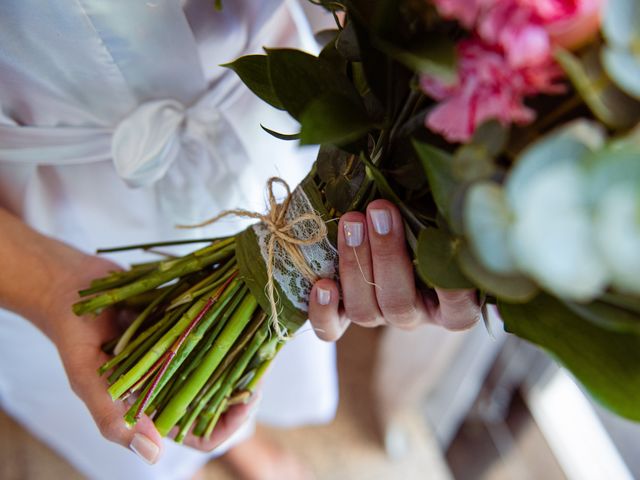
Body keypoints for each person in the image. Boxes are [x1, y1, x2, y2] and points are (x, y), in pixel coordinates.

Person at [0, 1, 481, 479]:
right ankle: (204, 449)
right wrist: (46, 286)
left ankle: (237, 434)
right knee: (121, 383)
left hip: (250, 105)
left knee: (254, 345)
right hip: (44, 193)